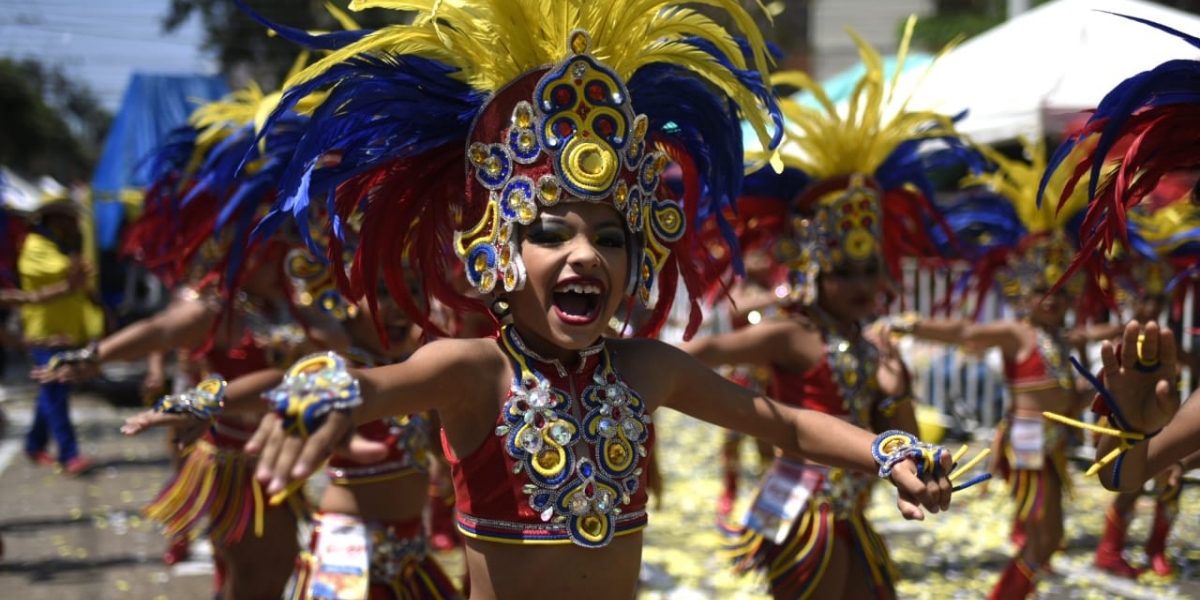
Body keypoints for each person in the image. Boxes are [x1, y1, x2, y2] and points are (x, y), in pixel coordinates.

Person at [230, 2, 959, 598]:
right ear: (499, 254)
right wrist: (324, 388)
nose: (584, 253)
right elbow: (374, 386)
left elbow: (783, 423)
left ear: (637, 258)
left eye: (610, 238)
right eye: (550, 232)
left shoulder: (646, 369)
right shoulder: (474, 371)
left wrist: (888, 448)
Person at [679, 25, 984, 599]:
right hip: (805, 516)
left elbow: (908, 445)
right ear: (815, 271)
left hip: (852, 515)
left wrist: (896, 392)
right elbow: (699, 354)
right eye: (846, 271)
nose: (862, 284)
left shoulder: (873, 343)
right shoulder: (793, 336)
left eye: (870, 270)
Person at [883, 136, 1102, 600]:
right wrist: (911, 323)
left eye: (1062, 292)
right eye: (1046, 291)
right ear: (1024, 294)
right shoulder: (1017, 333)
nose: (1056, 301)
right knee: (1044, 536)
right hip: (1027, 446)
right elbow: (965, 331)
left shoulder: (1063, 338)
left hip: (1055, 447)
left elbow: (1089, 359)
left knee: (1048, 537)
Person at [18, 188, 103, 475]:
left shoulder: (58, 247)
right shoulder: (35, 247)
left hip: (66, 332)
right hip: (45, 334)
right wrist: (81, 246)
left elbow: (84, 279)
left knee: (52, 391)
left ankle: (33, 444)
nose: (76, 224)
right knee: (55, 392)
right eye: (71, 218)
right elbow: (75, 274)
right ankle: (70, 455)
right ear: (55, 219)